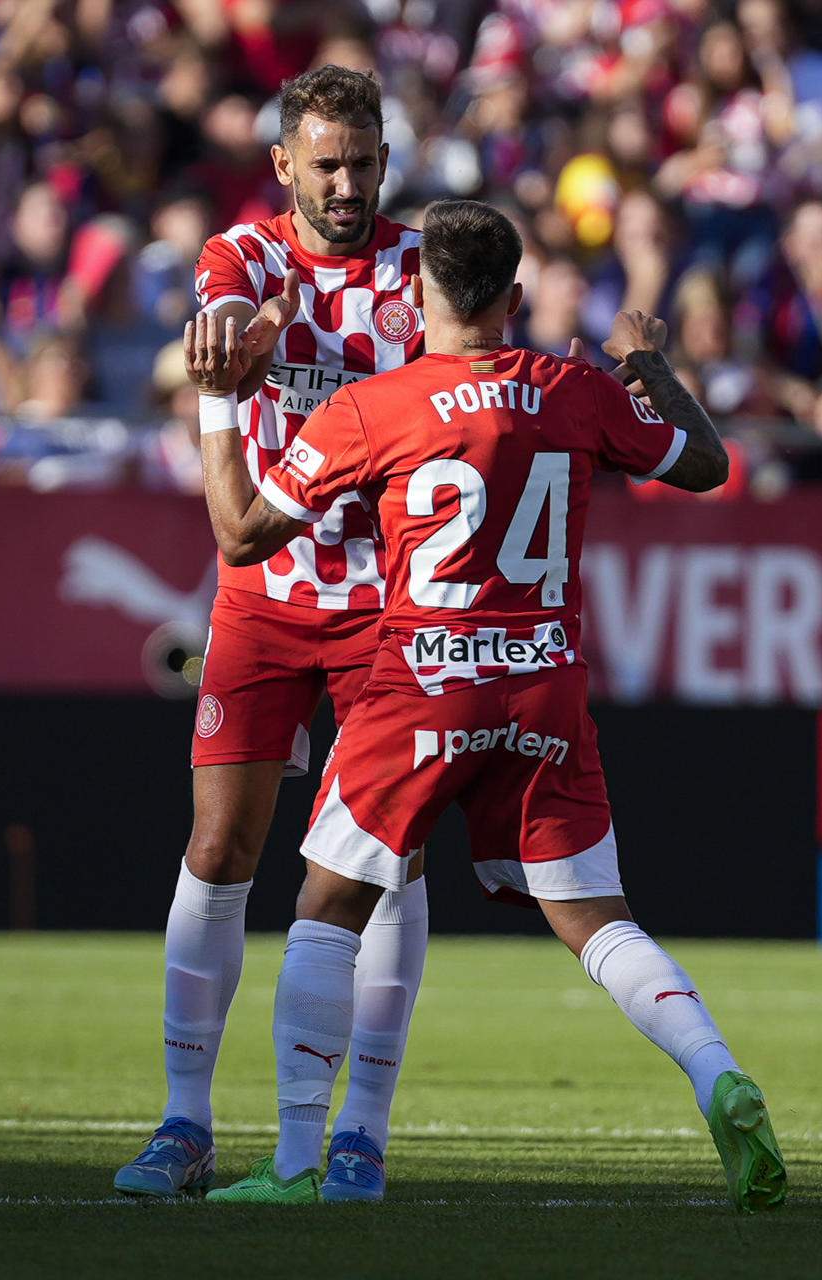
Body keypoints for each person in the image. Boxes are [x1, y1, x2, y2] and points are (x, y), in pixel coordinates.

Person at [188, 199, 786, 1212]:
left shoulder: (374, 406)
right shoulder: (578, 390)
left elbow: (242, 535)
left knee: (328, 905)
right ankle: (716, 1070)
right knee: (596, 918)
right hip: (545, 682)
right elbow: (706, 462)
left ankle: (298, 1160)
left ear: (420, 294)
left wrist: (215, 404)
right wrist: (650, 366)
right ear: (514, 298)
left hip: (422, 678)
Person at [112, 66, 429, 1206]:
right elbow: (227, 317)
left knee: (384, 869)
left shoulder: (420, 269)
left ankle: (361, 1134)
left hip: (394, 604)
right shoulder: (247, 256)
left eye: (364, 161)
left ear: (385, 160)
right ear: (286, 166)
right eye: (326, 164)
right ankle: (186, 1121)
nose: (347, 184)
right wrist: (242, 339)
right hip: (266, 592)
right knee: (218, 849)